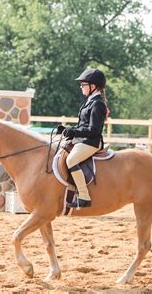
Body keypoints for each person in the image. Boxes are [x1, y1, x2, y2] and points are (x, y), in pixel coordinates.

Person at [59, 68, 108, 208]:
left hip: (92, 142)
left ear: (93, 86)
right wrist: (69, 130)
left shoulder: (97, 104)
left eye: (83, 84)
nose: (81, 87)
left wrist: (74, 132)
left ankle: (84, 196)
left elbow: (93, 130)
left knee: (71, 160)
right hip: (83, 140)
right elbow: (83, 125)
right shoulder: (90, 101)